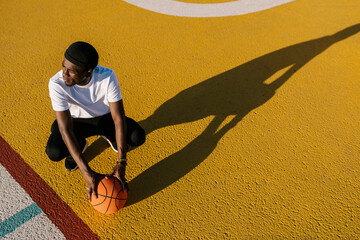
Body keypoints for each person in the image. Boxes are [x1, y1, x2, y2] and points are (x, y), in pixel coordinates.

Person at [45, 41, 145, 201]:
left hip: (105, 119)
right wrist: (87, 173)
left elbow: (118, 119)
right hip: (76, 123)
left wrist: (122, 163)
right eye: (63, 66)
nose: (64, 73)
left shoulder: (107, 76)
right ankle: (80, 145)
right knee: (54, 152)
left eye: (71, 71)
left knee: (137, 137)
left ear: (88, 72)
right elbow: (65, 130)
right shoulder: (57, 83)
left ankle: (109, 135)